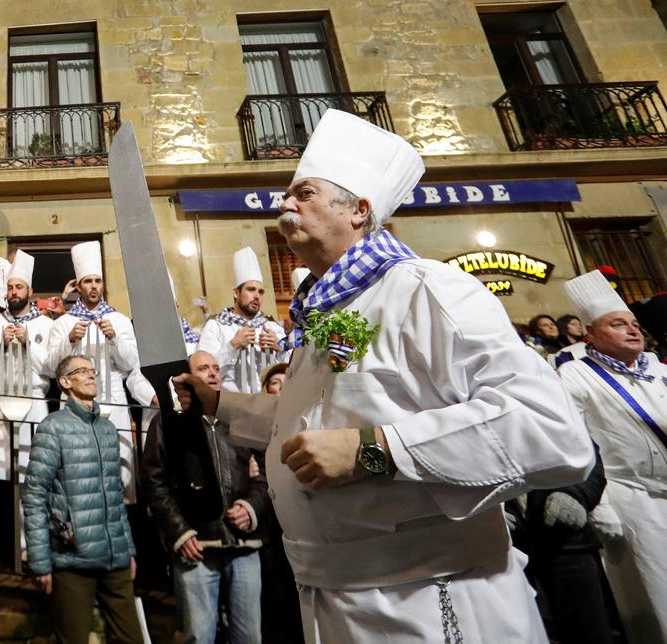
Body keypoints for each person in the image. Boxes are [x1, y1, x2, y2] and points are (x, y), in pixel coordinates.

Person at [174, 108, 594, 642]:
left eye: (304, 193)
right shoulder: (325, 311)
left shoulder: (428, 290)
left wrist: (373, 450)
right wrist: (220, 404)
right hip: (336, 593)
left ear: (359, 210)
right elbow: (316, 422)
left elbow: (551, 430)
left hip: (430, 595)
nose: (285, 204)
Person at [557, 269, 667, 642]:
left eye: (634, 323)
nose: (633, 330)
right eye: (618, 324)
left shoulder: (659, 368)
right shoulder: (574, 375)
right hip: (634, 499)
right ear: (590, 333)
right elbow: (576, 443)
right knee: (656, 596)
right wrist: (599, 505)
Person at [142, 350, 267, 644]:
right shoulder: (167, 423)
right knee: (198, 635)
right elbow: (153, 480)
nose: (212, 373)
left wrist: (252, 506)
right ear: (188, 379)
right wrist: (180, 532)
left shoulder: (239, 420)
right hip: (197, 546)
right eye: (203, 368)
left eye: (215, 368)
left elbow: (266, 470)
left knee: (249, 636)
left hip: (243, 544)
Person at [24, 354, 141, 644]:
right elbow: (35, 495)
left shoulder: (107, 429)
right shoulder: (53, 427)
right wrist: (40, 562)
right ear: (64, 382)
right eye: (82, 371)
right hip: (73, 558)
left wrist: (128, 548)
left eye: (93, 370)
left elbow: (115, 494)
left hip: (115, 555)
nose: (91, 376)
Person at [0, 248, 56, 561]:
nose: (13, 292)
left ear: (30, 291)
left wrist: (28, 344)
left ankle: (28, 549)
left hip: (32, 402)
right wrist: (3, 343)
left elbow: (52, 368)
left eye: (19, 287)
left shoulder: (47, 326)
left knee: (31, 477)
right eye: (9, 287)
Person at [47, 241, 143, 497]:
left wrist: (115, 339)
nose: (93, 286)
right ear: (79, 286)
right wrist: (69, 341)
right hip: (74, 404)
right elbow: (50, 367)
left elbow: (131, 363)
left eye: (97, 281)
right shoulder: (64, 322)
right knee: (77, 470)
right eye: (88, 281)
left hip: (113, 399)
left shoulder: (119, 321)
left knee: (121, 471)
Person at [506, 444, 614, 644]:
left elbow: (586, 456)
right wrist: (483, 513)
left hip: (566, 542)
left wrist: (575, 494)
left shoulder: (549, 411)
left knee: (588, 629)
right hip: (505, 550)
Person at [253, 362, 302, 644]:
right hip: (269, 532)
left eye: (287, 382)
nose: (282, 388)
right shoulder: (252, 430)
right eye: (275, 383)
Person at [197, 247, 286, 393]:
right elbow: (204, 374)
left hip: (270, 405)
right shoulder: (216, 326)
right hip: (232, 408)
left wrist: (280, 348)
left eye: (260, 291)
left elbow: (291, 371)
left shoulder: (273, 327)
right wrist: (233, 345)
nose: (257, 296)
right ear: (236, 293)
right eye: (251, 290)